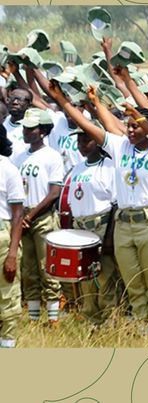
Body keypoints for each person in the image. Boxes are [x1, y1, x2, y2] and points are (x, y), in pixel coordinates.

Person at [45, 82, 148, 335]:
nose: (129, 130)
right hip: (124, 223)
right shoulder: (120, 149)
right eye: (128, 126)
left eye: (135, 126)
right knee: (133, 281)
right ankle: (142, 327)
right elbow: (89, 125)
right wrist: (65, 100)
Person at [13, 108, 65, 323]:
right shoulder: (19, 156)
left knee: (47, 267)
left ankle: (53, 318)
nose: (25, 132)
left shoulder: (52, 156)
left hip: (42, 217)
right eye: (24, 128)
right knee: (28, 269)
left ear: (42, 131)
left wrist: (31, 216)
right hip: (23, 216)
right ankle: (34, 318)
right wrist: (21, 217)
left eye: (31, 128)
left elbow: (54, 192)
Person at [66, 126, 120, 327]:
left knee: (104, 276)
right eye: (79, 141)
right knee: (85, 276)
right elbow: (72, 203)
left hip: (100, 224)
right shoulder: (77, 168)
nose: (81, 145)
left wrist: (109, 237)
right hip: (80, 227)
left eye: (86, 140)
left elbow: (115, 204)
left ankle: (109, 321)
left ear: (98, 141)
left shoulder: (110, 166)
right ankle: (91, 319)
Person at [0, 126, 25, 347]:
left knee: (7, 293)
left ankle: (7, 343)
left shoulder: (8, 170)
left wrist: (12, 254)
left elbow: (18, 214)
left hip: (3, 235)